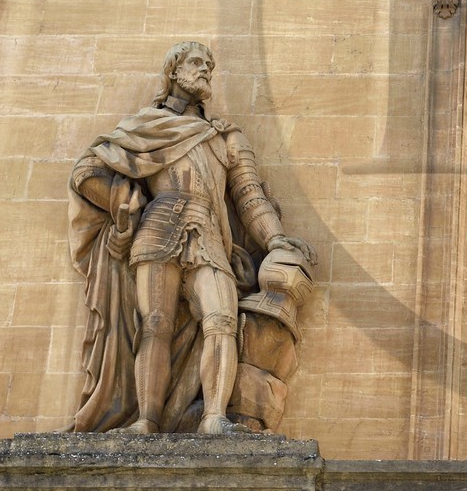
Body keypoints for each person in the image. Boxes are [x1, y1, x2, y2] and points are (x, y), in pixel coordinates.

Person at [69, 42, 313, 434]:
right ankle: (147, 420)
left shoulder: (226, 137)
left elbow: (250, 197)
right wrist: (122, 202)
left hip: (209, 234)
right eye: (196, 63)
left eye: (209, 66)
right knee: (155, 324)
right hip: (157, 225)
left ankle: (214, 417)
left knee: (221, 317)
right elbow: (86, 172)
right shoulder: (144, 126)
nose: (205, 70)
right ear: (174, 71)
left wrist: (276, 240)